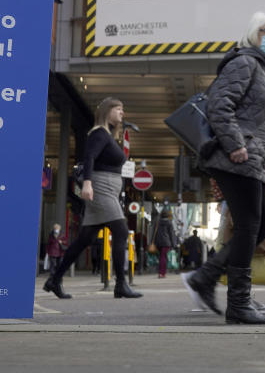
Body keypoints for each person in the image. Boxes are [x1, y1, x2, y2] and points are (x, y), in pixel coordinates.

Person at [181, 12, 265, 325]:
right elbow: (218, 105)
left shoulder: (262, 70)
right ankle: (238, 303)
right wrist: (236, 144)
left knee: (264, 223)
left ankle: (208, 278)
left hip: (253, 160)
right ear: (253, 33)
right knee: (250, 225)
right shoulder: (243, 62)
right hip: (236, 157)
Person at [43, 98, 141, 300]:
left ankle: (54, 279)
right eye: (119, 109)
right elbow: (89, 157)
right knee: (121, 230)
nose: (123, 113)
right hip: (101, 188)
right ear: (108, 111)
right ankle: (121, 285)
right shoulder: (98, 133)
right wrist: (87, 183)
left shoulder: (108, 136)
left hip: (108, 190)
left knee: (83, 240)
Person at [154, 209, 178, 278]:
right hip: (166, 242)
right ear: (167, 215)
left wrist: (153, 242)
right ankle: (162, 273)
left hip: (158, 242)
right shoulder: (169, 223)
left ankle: (160, 272)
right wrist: (174, 244)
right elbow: (171, 234)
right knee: (163, 257)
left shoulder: (158, 222)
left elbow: (154, 232)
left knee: (161, 257)